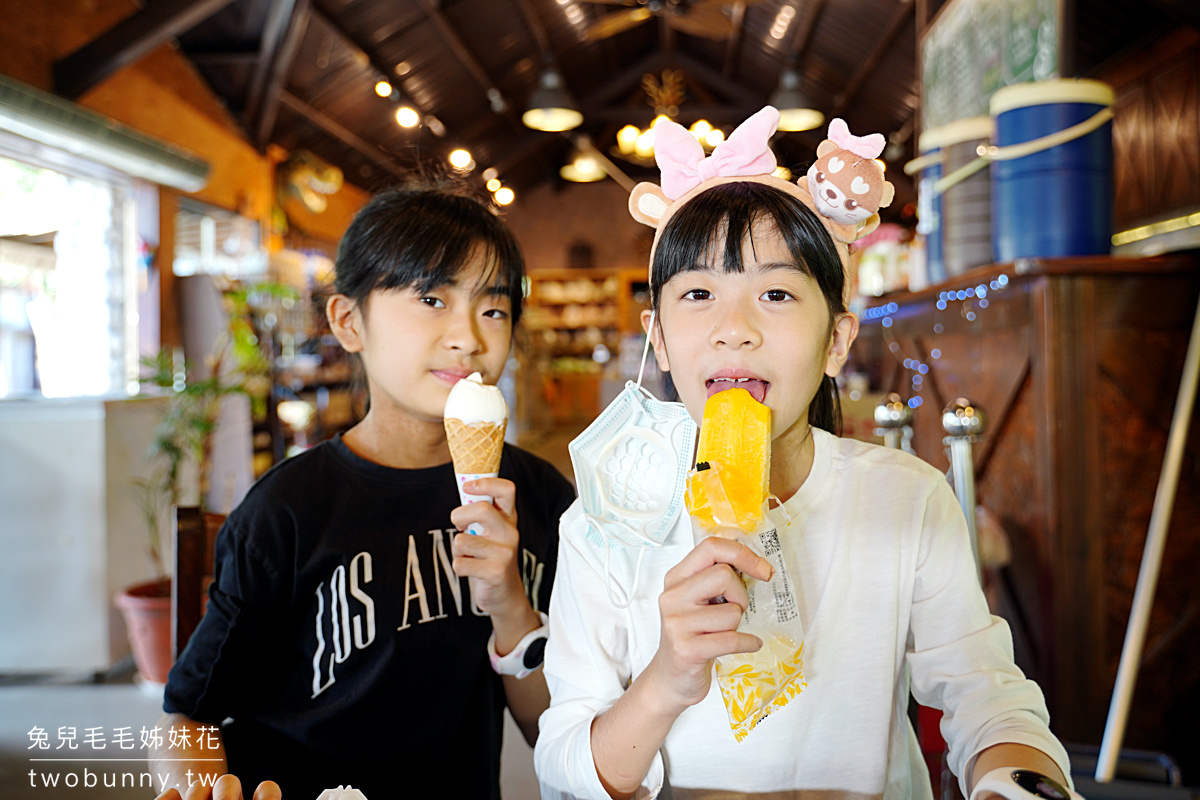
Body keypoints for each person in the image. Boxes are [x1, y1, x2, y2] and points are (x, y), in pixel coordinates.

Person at [534, 108, 1075, 800]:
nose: (734, 329)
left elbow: (987, 694)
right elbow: (562, 762)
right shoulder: (607, 522)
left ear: (837, 342)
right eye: (698, 293)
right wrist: (667, 677)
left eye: (776, 293)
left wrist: (1017, 782)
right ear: (659, 340)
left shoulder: (907, 500)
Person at [151, 184, 575, 800]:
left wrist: (510, 604)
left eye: (493, 308)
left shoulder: (539, 497)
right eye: (431, 298)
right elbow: (188, 715)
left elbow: (552, 733)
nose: (469, 337)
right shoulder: (287, 511)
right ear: (350, 322)